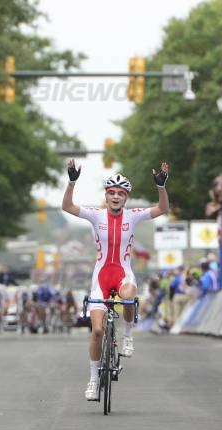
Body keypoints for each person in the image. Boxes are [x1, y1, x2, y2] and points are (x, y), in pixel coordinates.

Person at [62, 158, 170, 401]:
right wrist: (71, 182)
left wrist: (161, 187)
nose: (115, 197)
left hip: (123, 273)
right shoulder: (95, 215)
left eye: (120, 193)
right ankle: (92, 379)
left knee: (129, 295)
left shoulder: (133, 216)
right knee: (97, 331)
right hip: (101, 276)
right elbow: (68, 207)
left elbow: (162, 209)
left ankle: (128, 335)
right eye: (111, 193)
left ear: (126, 198)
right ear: (106, 196)